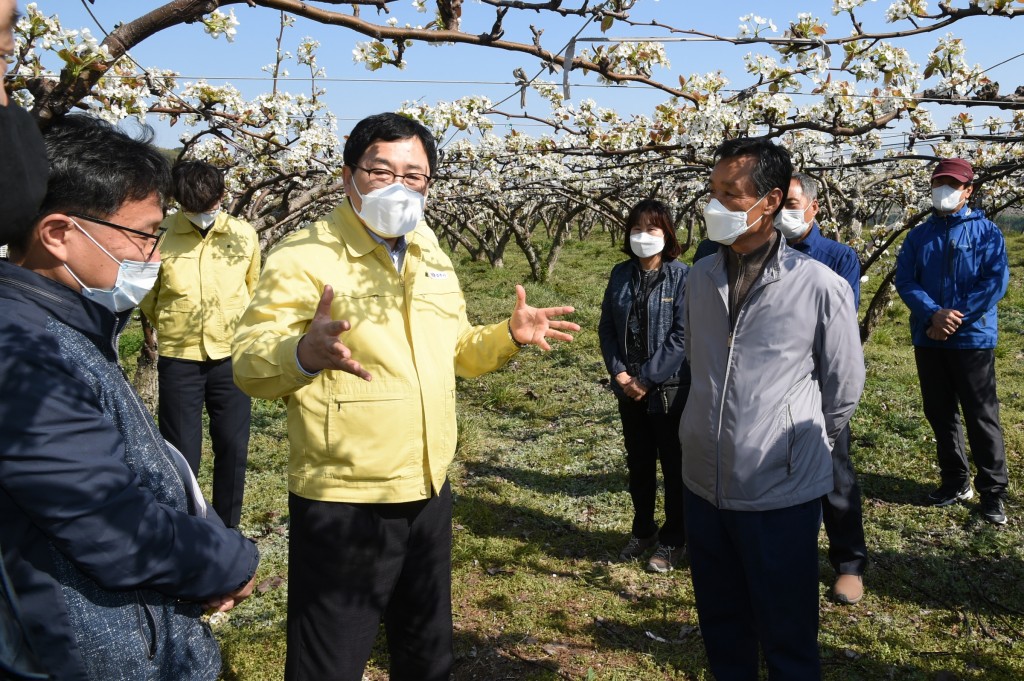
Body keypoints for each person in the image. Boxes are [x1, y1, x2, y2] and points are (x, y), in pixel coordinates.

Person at [232, 112, 579, 681]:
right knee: (331, 658)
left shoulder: (429, 250)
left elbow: (457, 351)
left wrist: (507, 336)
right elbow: (248, 363)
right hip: (346, 492)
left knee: (425, 648)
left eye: (414, 175)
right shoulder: (305, 256)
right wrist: (301, 353)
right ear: (349, 177)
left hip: (427, 479)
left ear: (429, 184)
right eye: (380, 170)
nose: (398, 185)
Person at [0, 114, 260, 681]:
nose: (155, 254)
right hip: (92, 652)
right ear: (59, 234)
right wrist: (227, 562)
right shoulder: (24, 351)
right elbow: (107, 525)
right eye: (144, 233)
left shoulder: (67, 325)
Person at [680, 137, 865, 679]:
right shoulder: (699, 278)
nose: (716, 205)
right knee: (722, 626)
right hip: (702, 483)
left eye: (731, 195)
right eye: (712, 192)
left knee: (787, 636)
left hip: (778, 492)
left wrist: (794, 446)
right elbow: (699, 359)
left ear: (772, 201)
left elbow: (843, 386)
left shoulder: (820, 286)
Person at [140, 160, 261, 528]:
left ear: (222, 198)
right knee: (181, 453)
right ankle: (187, 527)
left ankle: (227, 528)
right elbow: (149, 295)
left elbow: (252, 286)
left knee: (233, 448)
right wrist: (173, 322)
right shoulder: (162, 238)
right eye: (190, 207)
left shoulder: (243, 235)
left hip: (230, 357)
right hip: (180, 358)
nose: (200, 214)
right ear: (177, 201)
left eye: (207, 206)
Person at [894, 158, 1010, 525]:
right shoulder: (919, 235)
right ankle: (955, 480)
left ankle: (993, 492)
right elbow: (905, 279)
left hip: (972, 338)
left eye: (952, 184)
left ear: (968, 190)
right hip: (929, 338)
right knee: (940, 412)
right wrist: (932, 315)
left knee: (981, 415)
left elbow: (994, 283)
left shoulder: (987, 232)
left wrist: (953, 317)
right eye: (938, 183)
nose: (943, 190)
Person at [776, 173, 868, 605]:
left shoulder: (838, 257)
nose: (785, 213)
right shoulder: (761, 252)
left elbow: (840, 323)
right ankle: (789, 559)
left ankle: (849, 564)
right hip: (771, 383)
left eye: (793, 204)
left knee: (835, 473)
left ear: (814, 207)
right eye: (779, 203)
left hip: (817, 380)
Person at [598, 198, 689, 573]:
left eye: (652, 229)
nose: (643, 236)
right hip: (628, 391)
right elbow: (607, 327)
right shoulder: (620, 274)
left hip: (669, 390)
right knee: (638, 463)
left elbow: (683, 335)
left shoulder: (682, 276)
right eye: (637, 229)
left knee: (674, 465)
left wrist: (647, 378)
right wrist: (620, 373)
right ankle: (643, 529)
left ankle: (674, 539)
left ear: (666, 234)